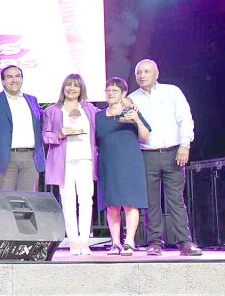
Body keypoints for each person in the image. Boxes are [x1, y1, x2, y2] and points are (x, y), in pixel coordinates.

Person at [129, 59, 202, 256]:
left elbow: (185, 118)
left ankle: (184, 242)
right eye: (139, 72)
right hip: (146, 155)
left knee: (176, 199)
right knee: (151, 201)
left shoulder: (172, 92)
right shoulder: (131, 98)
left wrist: (185, 145)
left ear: (156, 74)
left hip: (173, 152)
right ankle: (155, 242)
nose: (142, 75)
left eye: (146, 71)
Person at [42, 74, 99, 256]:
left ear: (81, 88)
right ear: (63, 88)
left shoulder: (89, 109)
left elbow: (107, 119)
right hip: (63, 161)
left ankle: (84, 241)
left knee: (86, 200)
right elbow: (46, 136)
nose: (72, 88)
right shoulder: (52, 110)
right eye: (68, 85)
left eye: (76, 85)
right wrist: (59, 134)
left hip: (85, 159)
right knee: (67, 201)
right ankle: (73, 240)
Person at [95, 77, 151, 256]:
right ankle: (115, 242)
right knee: (112, 204)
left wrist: (137, 120)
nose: (111, 94)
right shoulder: (98, 115)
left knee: (130, 202)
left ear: (123, 93)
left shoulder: (130, 112)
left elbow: (144, 137)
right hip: (107, 162)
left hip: (129, 161)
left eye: (115, 90)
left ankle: (129, 242)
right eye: (108, 90)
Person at [0, 65, 45, 191]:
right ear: (3, 81)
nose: (14, 80)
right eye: (10, 77)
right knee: (6, 203)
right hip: (4, 159)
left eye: (17, 76)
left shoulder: (32, 100)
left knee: (28, 202)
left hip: (30, 159)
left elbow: (44, 121)